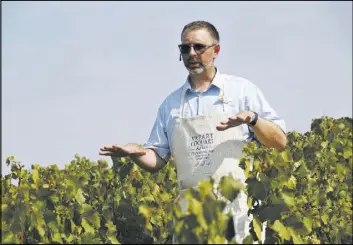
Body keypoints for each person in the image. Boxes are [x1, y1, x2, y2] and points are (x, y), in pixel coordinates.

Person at [100, 20, 287, 243]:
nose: (191, 53)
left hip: (237, 211)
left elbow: (280, 141)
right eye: (185, 48)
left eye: (198, 47)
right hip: (190, 214)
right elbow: (157, 159)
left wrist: (253, 119)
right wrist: (137, 153)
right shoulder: (171, 105)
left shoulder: (242, 91)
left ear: (216, 50)